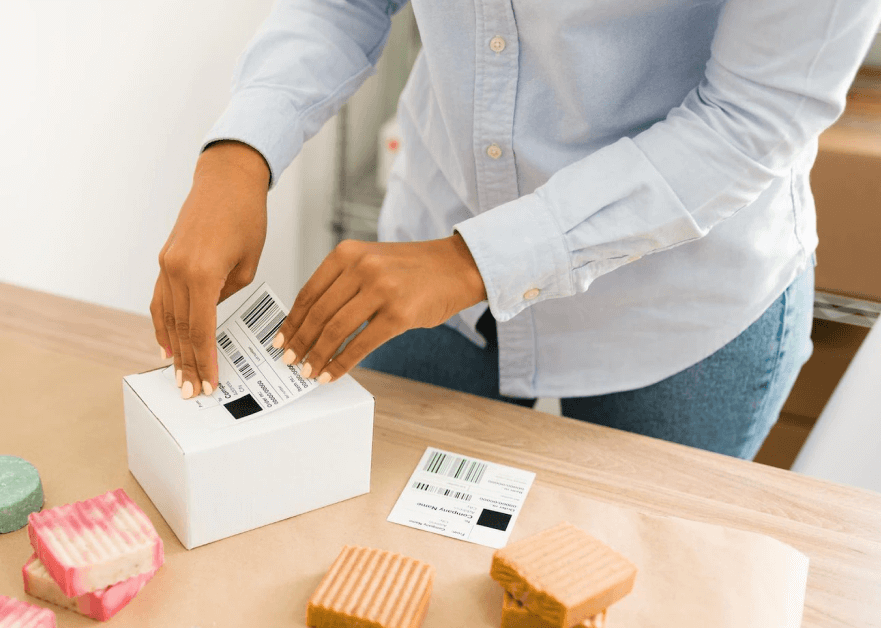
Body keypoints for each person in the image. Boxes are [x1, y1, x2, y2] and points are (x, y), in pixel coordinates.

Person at [150, 0, 881, 459]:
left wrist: (479, 260)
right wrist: (238, 158)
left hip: (677, 307)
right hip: (434, 249)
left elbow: (754, 120)